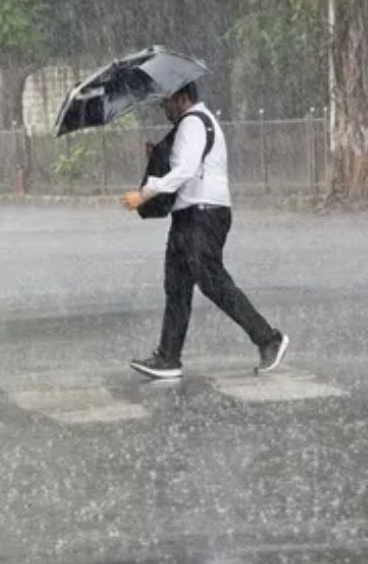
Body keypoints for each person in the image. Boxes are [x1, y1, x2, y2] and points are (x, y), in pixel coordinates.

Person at [122, 81, 289, 380]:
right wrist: (160, 156)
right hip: (190, 214)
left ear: (182, 98)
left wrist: (146, 193)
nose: (163, 108)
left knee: (212, 282)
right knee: (177, 287)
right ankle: (168, 357)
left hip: (204, 214)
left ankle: (268, 338)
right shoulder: (195, 123)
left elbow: (185, 170)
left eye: (166, 101)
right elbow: (185, 165)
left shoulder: (193, 123)